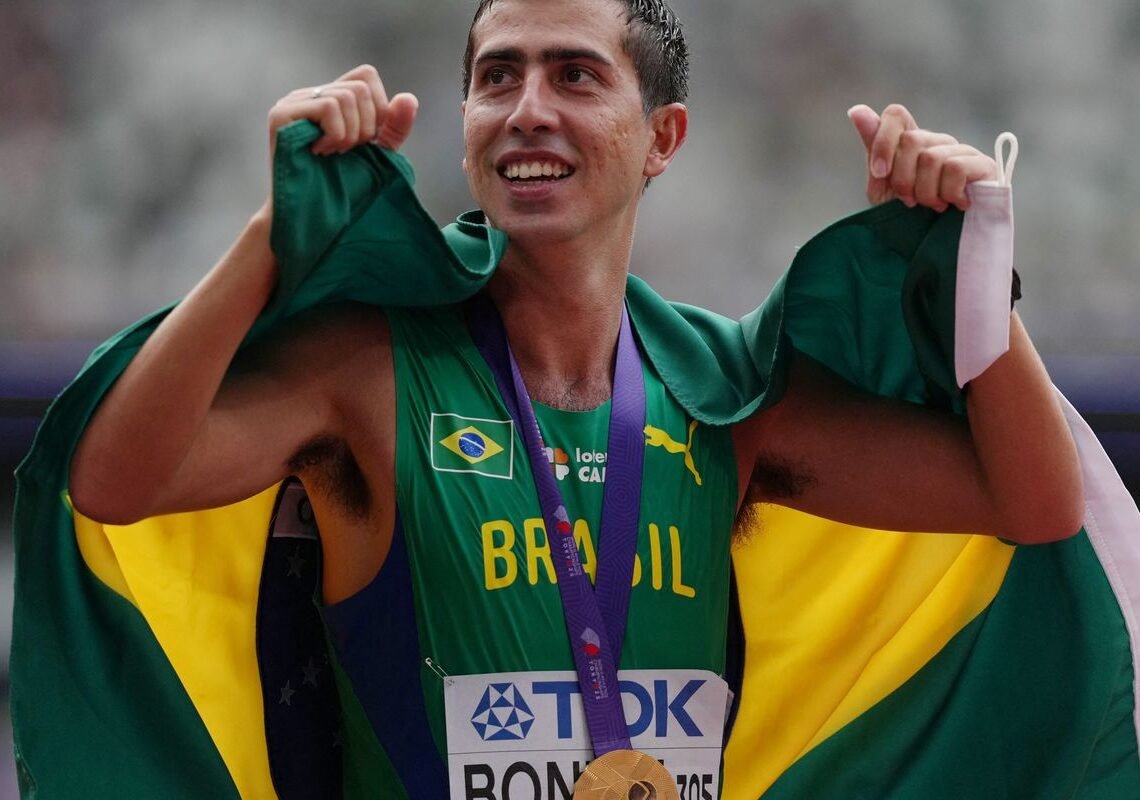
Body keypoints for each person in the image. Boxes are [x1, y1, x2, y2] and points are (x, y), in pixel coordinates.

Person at [63, 0, 1087, 795]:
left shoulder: (724, 394)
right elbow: (114, 480)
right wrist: (267, 240)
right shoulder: (365, 372)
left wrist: (976, 276)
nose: (527, 108)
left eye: (575, 74)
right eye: (496, 76)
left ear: (664, 136)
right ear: (464, 120)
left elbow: (1034, 500)